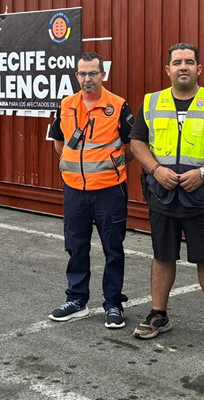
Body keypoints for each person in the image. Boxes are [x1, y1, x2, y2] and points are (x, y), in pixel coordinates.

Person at [127, 43, 204, 345]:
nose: (183, 67)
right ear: (168, 70)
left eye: (189, 62)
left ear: (199, 69)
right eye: (177, 62)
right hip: (162, 195)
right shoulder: (152, 102)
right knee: (162, 256)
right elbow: (137, 141)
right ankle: (158, 314)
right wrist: (155, 170)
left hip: (201, 196)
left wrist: (203, 173)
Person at [47, 52, 135, 329]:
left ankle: (113, 304)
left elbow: (132, 146)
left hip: (109, 190)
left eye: (93, 73)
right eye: (82, 74)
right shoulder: (66, 105)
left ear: (103, 75)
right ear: (77, 76)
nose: (87, 78)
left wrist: (111, 165)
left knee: (113, 248)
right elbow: (59, 142)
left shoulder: (118, 106)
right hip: (74, 190)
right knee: (76, 246)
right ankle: (76, 300)